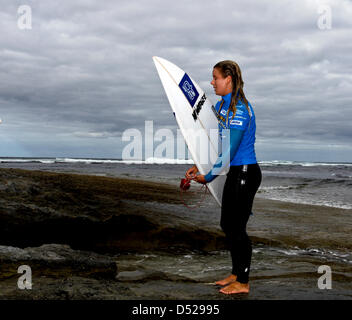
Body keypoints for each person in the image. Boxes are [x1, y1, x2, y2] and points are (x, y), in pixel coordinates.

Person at [185, 60, 261, 295]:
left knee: (237, 228)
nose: (212, 82)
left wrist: (208, 176)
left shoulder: (240, 109)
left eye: (215, 77)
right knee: (227, 225)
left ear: (228, 79)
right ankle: (236, 273)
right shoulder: (220, 107)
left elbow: (230, 150)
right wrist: (197, 164)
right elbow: (216, 143)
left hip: (245, 173)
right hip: (235, 172)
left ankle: (244, 282)